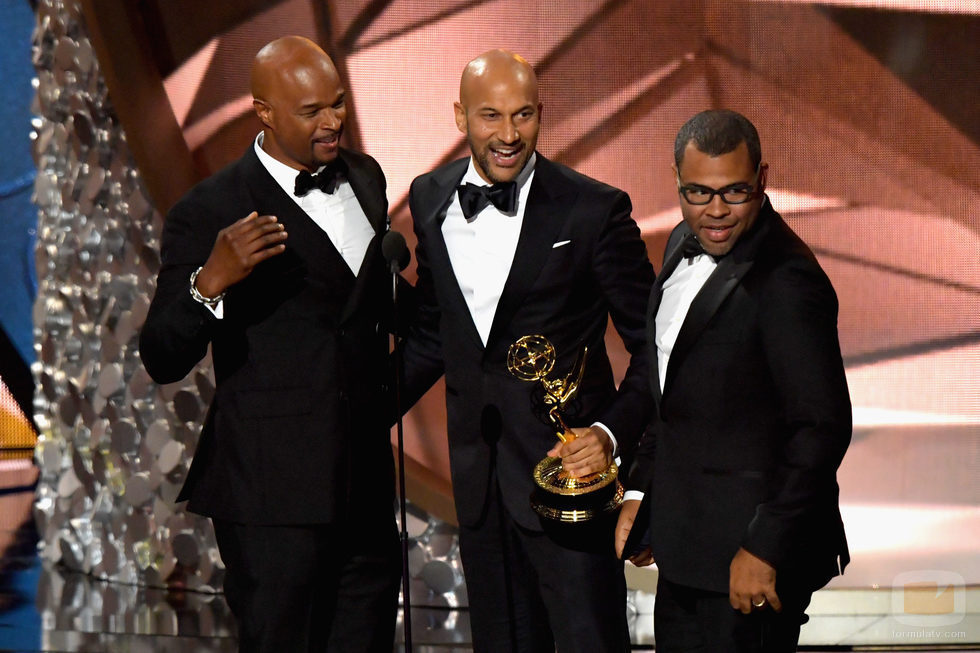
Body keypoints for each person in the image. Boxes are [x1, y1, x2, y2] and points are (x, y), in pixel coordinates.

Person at [139, 36, 400, 653]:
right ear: (264, 112)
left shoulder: (364, 177)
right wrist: (211, 282)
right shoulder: (209, 209)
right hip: (270, 496)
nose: (333, 121)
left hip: (363, 489)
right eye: (312, 111)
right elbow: (161, 354)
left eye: (337, 104)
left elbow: (363, 311)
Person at [400, 49, 654, 652]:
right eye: (491, 117)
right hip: (480, 483)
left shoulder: (594, 209)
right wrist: (359, 413)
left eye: (524, 116)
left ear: (542, 114)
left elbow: (655, 349)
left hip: (569, 482)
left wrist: (611, 436)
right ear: (460, 116)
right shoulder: (429, 198)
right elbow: (438, 332)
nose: (509, 136)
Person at [615, 109, 852, 652]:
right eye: (698, 193)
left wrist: (764, 547)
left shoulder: (788, 280)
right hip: (685, 553)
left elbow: (821, 427)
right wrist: (643, 486)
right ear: (677, 180)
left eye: (734, 192)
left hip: (750, 567)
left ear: (762, 180)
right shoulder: (679, 242)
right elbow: (672, 393)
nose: (715, 211)